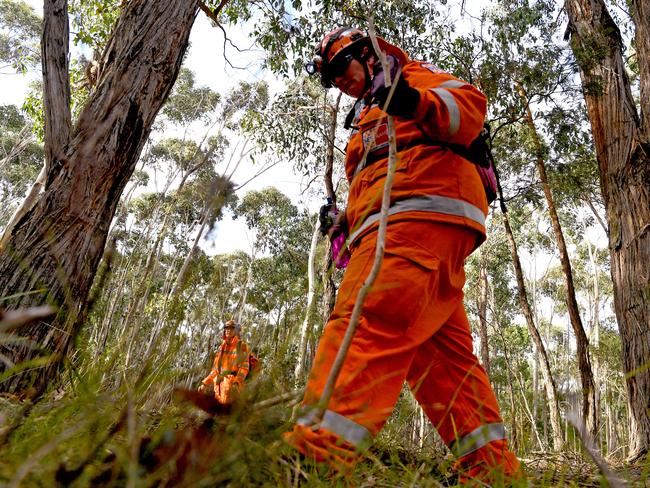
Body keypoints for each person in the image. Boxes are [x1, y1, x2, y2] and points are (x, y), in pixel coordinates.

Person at [284, 26, 522, 483]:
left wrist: (411, 100)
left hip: (418, 214)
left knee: (365, 318)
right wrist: (343, 225)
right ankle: (492, 470)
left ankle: (312, 459)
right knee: (442, 360)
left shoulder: (414, 77)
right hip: (409, 228)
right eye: (329, 77)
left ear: (369, 54)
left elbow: (468, 109)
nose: (338, 81)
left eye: (341, 67)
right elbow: (369, 182)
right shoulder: (362, 122)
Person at [199, 319, 250, 405]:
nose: (228, 330)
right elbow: (215, 369)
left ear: (236, 330)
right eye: (226, 328)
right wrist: (205, 383)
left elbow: (244, 368)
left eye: (231, 328)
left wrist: (237, 383)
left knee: (228, 414)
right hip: (219, 386)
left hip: (232, 386)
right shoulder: (221, 347)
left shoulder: (241, 346)